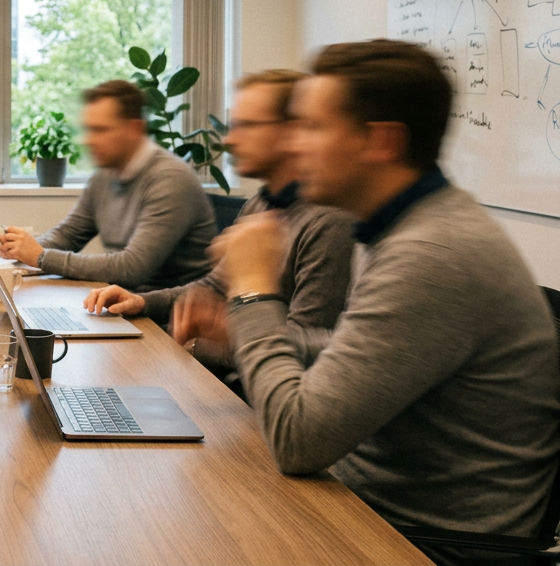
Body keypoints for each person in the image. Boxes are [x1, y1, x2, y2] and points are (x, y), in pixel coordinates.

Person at [215, 40, 560, 564]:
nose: (295, 145)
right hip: (368, 506)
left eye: (312, 127)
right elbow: (364, 354)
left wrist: (254, 293)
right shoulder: (409, 227)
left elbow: (297, 440)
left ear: (380, 142)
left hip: (423, 542)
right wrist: (250, 333)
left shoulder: (431, 254)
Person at [82, 70, 356, 377]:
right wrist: (141, 302)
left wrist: (202, 345)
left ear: (290, 132)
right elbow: (213, 287)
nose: (229, 139)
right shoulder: (263, 203)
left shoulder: (329, 223)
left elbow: (303, 358)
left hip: (255, 401)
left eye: (245, 126)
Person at [0, 80, 215, 291]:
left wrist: (40, 256)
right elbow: (69, 235)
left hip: (168, 317)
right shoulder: (104, 177)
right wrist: (20, 248)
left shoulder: (171, 180)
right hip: (120, 302)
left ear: (134, 129)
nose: (88, 141)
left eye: (100, 130)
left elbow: (131, 268)